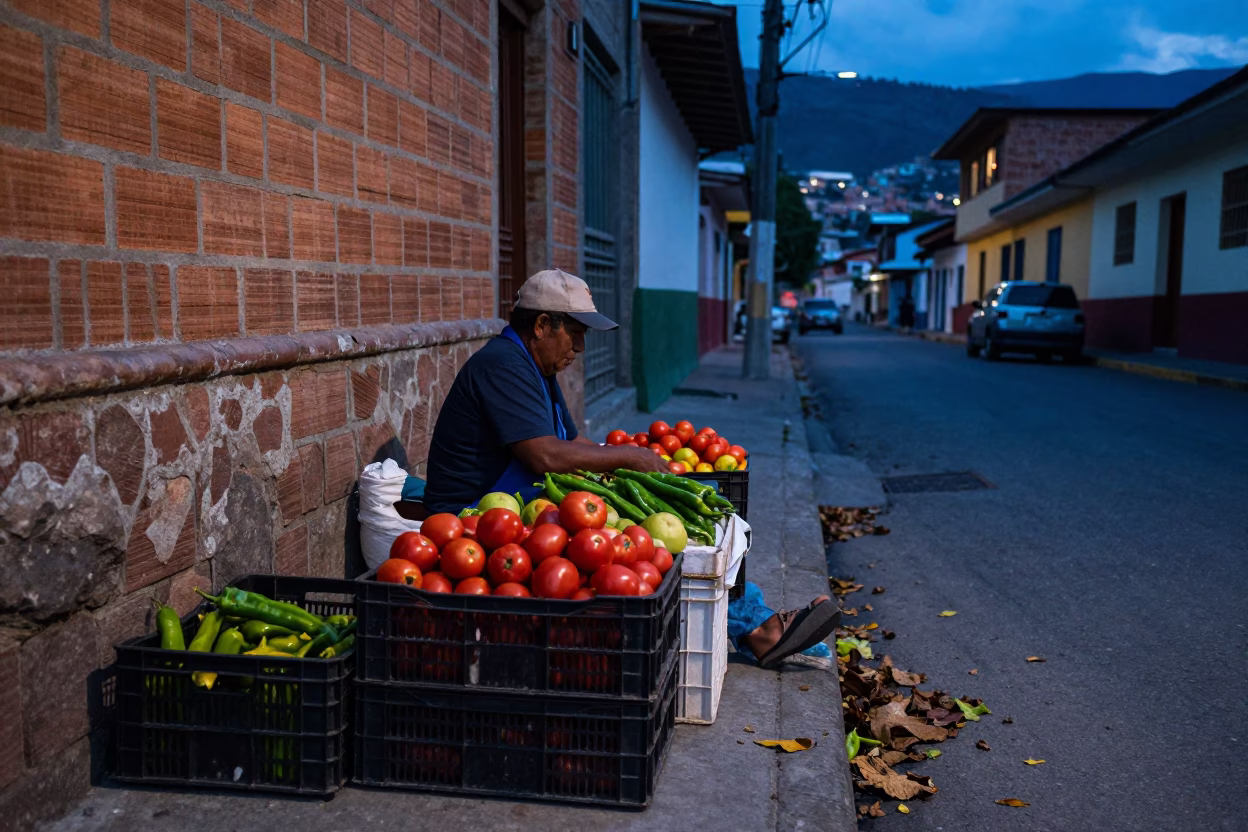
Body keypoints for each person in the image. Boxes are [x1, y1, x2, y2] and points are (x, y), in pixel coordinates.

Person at [424, 268, 840, 667]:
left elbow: (573, 442)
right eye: (576, 333)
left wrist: (628, 467)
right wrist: (627, 456)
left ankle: (757, 621)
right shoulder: (504, 365)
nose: (580, 349)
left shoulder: (536, 366)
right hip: (475, 515)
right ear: (542, 325)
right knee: (646, 548)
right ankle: (760, 629)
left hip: (520, 503)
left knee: (658, 535)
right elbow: (545, 456)